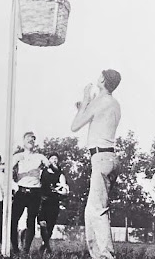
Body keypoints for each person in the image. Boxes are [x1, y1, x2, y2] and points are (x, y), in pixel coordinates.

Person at [71, 69, 121, 259]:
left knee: (97, 210)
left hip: (100, 158)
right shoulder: (114, 103)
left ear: (102, 80)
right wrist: (84, 107)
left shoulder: (100, 101)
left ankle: (106, 256)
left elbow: (75, 126)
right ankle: (97, 254)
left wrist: (85, 99)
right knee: (92, 210)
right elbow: (98, 120)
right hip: (109, 158)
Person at [11, 131, 49, 254]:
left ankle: (25, 250)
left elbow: (49, 166)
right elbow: (8, 170)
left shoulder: (39, 156)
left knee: (31, 220)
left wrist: (47, 164)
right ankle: (15, 248)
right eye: (28, 139)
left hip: (35, 192)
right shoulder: (18, 156)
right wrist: (13, 185)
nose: (31, 140)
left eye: (33, 139)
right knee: (13, 219)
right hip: (21, 190)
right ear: (23, 141)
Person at [38, 152, 69, 255]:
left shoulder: (60, 175)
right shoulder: (42, 172)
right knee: (42, 224)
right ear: (48, 160)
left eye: (56, 159)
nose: (54, 160)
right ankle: (47, 246)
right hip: (42, 201)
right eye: (52, 158)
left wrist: (58, 191)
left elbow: (65, 190)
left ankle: (44, 245)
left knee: (50, 226)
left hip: (53, 202)